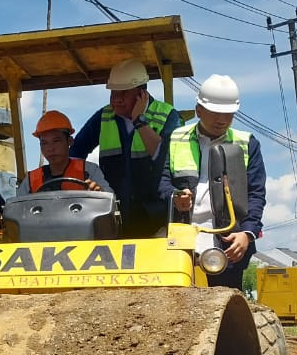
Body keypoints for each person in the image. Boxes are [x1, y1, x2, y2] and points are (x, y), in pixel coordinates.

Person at [159, 74, 266, 290]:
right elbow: (161, 183)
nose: (222, 120)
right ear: (199, 110)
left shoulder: (247, 143)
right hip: (183, 236)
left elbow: (256, 194)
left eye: (228, 114)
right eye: (215, 113)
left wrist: (247, 234)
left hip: (229, 240)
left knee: (225, 304)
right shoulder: (175, 138)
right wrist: (175, 197)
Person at [70, 58, 181, 238]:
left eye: (123, 93)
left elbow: (168, 160)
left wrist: (139, 121)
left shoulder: (167, 115)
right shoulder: (104, 116)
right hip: (113, 217)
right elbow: (75, 153)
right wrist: (86, 182)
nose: (116, 99)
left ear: (141, 93)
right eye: (113, 93)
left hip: (156, 221)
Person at [18, 111, 113, 195]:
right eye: (44, 143)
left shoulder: (89, 170)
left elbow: (110, 199)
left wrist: (100, 193)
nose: (50, 148)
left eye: (56, 141)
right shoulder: (31, 180)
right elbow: (17, 210)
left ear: (70, 141)